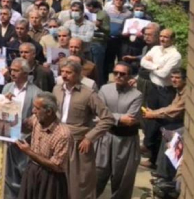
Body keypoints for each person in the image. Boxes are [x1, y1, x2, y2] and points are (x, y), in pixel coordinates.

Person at [53, 59, 115, 199]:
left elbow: (107, 118)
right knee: (57, 180)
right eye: (62, 72)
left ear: (78, 74)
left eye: (68, 72)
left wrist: (89, 138)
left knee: (79, 183)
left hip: (78, 143)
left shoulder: (88, 94)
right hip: (57, 140)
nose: (64, 75)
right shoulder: (56, 89)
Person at [95, 62, 142, 199]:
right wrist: (120, 119)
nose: (118, 76)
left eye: (123, 74)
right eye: (116, 73)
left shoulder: (137, 95)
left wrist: (108, 116)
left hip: (126, 141)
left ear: (130, 76)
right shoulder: (104, 89)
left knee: (122, 179)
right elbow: (99, 113)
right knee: (97, 174)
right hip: (105, 137)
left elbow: (131, 119)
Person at [16, 92, 72, 199]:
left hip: (50, 179)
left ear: (49, 112)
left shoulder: (63, 134)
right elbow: (21, 126)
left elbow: (56, 166)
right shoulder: (36, 119)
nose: (33, 111)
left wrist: (29, 152)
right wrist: (9, 104)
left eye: (37, 108)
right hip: (32, 172)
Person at [140, 28, 182, 167]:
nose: (163, 39)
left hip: (165, 91)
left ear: (173, 39)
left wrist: (152, 65)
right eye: (162, 36)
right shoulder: (156, 49)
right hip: (153, 87)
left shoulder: (175, 55)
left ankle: (154, 159)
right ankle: (148, 146)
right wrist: (158, 66)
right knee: (148, 117)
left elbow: (164, 74)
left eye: (167, 37)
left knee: (161, 121)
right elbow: (142, 63)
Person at [2, 57, 41, 199]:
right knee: (7, 174)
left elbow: (38, 116)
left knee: (23, 172)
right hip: (7, 138)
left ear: (25, 73)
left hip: (25, 140)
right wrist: (4, 102)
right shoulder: (7, 88)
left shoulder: (35, 92)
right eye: (11, 69)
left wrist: (29, 121)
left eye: (16, 70)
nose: (12, 73)